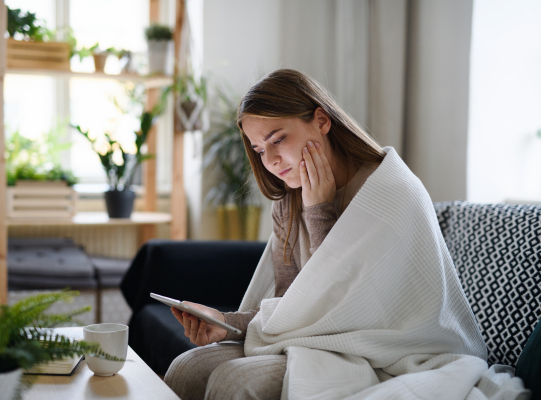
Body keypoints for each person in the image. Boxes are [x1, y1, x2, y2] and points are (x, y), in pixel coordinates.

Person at [164, 69, 488, 400]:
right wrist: (225, 322)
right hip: (309, 339)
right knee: (186, 368)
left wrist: (319, 212)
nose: (272, 161)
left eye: (278, 139)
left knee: (234, 382)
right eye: (259, 149)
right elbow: (294, 307)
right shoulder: (288, 200)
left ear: (321, 120)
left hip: (378, 353)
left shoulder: (391, 191)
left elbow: (341, 312)